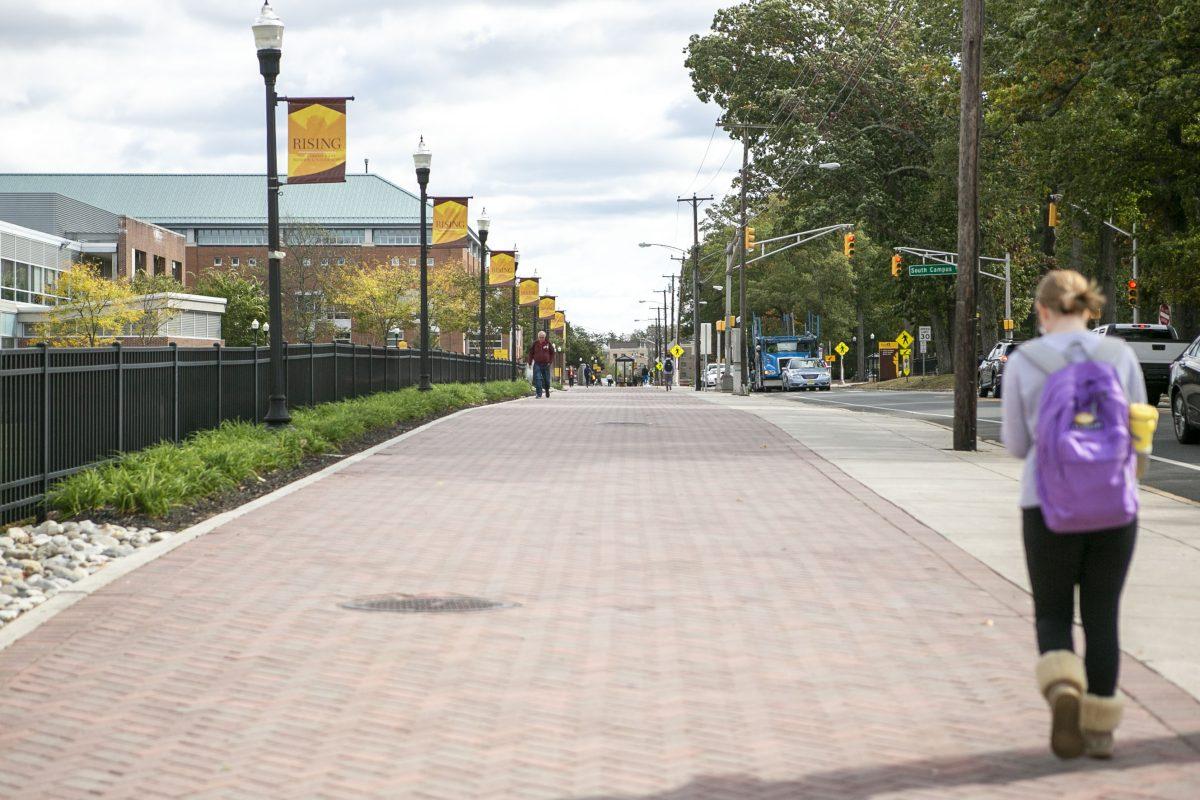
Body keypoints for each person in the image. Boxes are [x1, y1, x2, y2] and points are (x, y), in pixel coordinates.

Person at [1001, 270, 1145, 761]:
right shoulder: (1119, 355)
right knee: (1103, 616)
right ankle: (1101, 730)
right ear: (1088, 306)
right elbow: (1139, 431)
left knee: (1054, 611)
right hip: (1114, 508)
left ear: (1042, 311)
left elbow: (1017, 445)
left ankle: (1063, 687)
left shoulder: (1024, 360)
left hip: (1046, 505)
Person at [526, 330, 555, 399]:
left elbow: (552, 353)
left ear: (545, 337)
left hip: (546, 364)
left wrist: (550, 362)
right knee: (537, 378)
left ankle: (547, 390)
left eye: (543, 337)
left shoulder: (548, 343)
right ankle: (538, 393)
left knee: (546, 380)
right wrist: (529, 362)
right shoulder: (535, 344)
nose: (541, 338)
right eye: (540, 337)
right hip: (537, 364)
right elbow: (531, 353)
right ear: (538, 337)